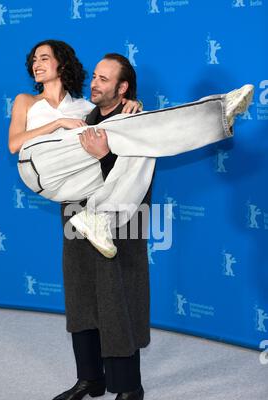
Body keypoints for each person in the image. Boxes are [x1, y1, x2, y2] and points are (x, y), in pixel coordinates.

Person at [14, 50, 254, 258]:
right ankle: (218, 112)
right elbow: (14, 145)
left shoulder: (84, 108)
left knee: (140, 145)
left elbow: (111, 116)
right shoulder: (27, 100)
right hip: (36, 160)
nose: (94, 83)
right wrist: (58, 123)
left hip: (67, 183)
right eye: (95, 77)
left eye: (102, 79)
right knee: (136, 134)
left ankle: (101, 218)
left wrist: (134, 108)